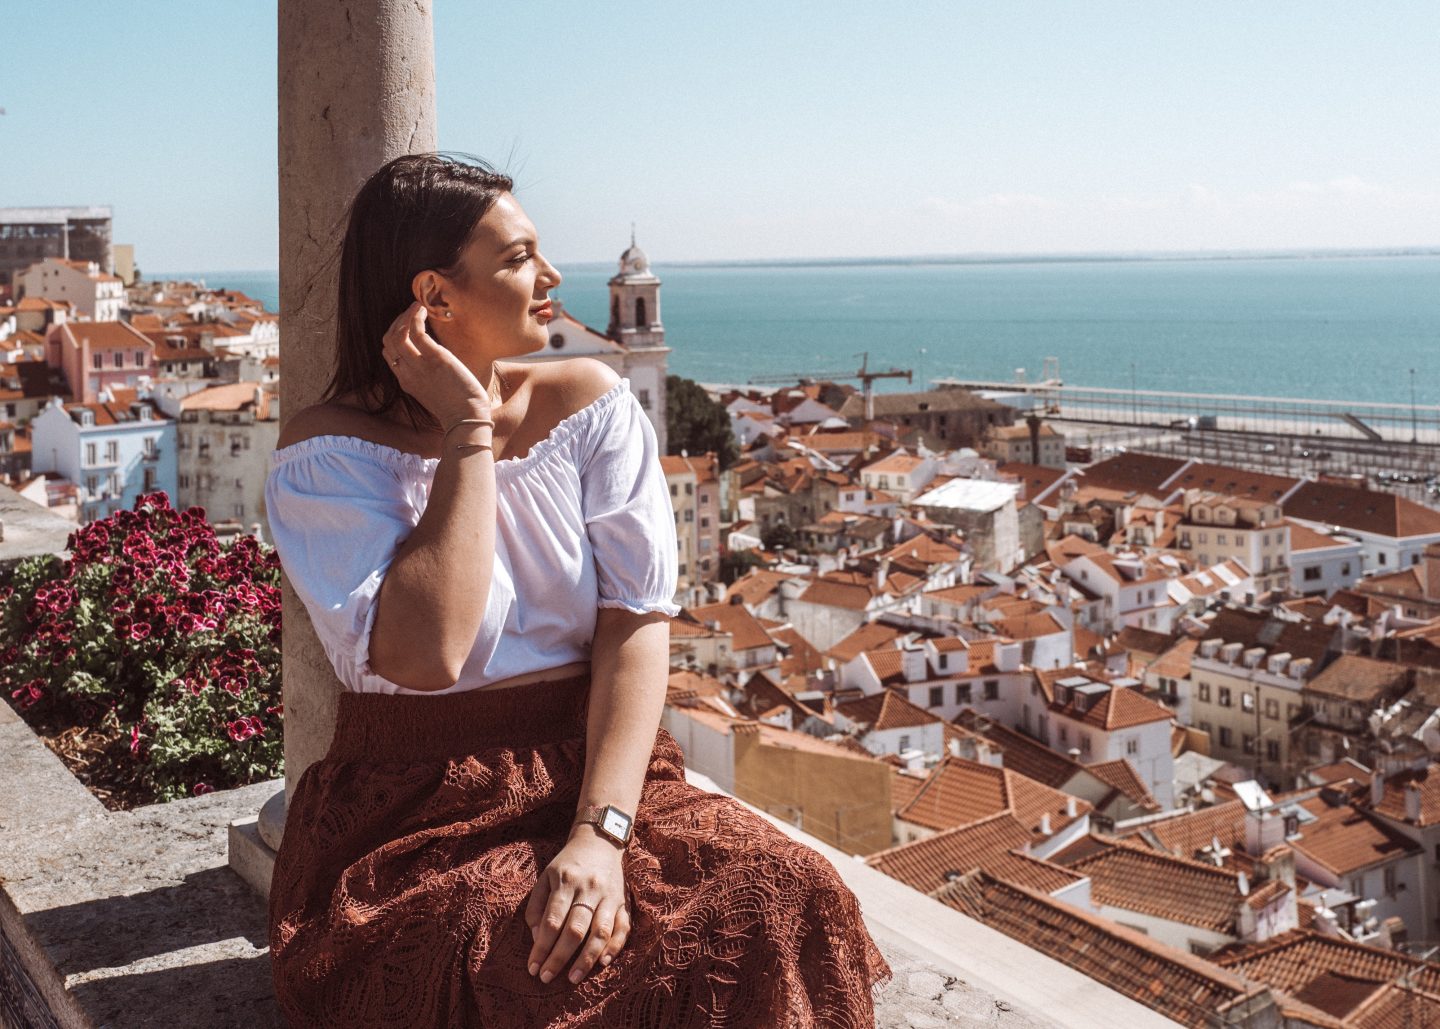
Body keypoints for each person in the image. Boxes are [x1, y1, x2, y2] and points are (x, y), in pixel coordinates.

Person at [263, 153, 891, 1028]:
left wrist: (601, 834)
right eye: (520, 258)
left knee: (789, 889)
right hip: (417, 805)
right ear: (433, 295)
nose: (553, 276)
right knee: (513, 956)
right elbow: (430, 651)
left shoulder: (592, 405)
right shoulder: (327, 457)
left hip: (601, 769)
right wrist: (468, 430)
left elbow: (635, 625)